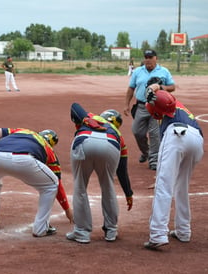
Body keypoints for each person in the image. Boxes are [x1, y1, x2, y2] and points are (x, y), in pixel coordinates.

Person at [143, 90, 204, 250]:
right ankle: (184, 231)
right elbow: (162, 96)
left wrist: (159, 178)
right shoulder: (178, 106)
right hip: (197, 140)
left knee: (163, 186)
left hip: (176, 134)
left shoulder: (164, 117)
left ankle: (157, 235)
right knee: (181, 186)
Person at [0, 128, 73, 237]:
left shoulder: (23, 131)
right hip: (23, 159)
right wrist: (67, 210)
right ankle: (40, 229)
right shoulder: (49, 149)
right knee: (51, 185)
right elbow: (57, 184)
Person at [66, 103, 133, 244]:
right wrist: (128, 193)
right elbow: (122, 170)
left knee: (80, 187)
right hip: (111, 144)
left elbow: (75, 106)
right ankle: (111, 231)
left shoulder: (90, 116)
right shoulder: (118, 134)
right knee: (108, 186)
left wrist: (85, 118)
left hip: (83, 140)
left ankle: (81, 232)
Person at [123, 49, 175, 170]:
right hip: (141, 105)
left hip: (157, 106)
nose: (148, 59)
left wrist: (161, 87)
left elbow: (172, 87)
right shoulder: (138, 71)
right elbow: (131, 88)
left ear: (156, 58)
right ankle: (146, 152)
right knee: (137, 131)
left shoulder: (164, 71)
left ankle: (153, 160)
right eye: (146, 57)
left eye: (150, 57)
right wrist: (126, 104)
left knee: (154, 133)